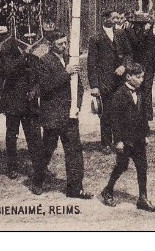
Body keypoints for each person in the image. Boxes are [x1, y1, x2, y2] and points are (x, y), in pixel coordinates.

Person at [31, 33, 91, 199]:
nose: (64, 46)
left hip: (70, 114)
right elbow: (45, 86)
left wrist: (77, 105)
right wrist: (66, 73)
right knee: (47, 150)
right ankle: (37, 180)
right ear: (51, 45)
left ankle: (75, 188)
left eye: (65, 43)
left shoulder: (70, 60)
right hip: (53, 114)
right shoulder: (44, 61)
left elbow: (79, 87)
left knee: (74, 152)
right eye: (60, 44)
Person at [100, 63, 155, 211]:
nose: (141, 80)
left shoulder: (140, 93)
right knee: (121, 166)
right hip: (125, 140)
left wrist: (145, 134)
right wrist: (118, 140)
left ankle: (143, 198)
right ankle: (108, 190)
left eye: (143, 77)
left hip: (138, 138)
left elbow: (143, 117)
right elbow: (114, 120)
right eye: (138, 77)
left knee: (142, 167)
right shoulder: (119, 95)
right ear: (128, 77)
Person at [0, 37, 42, 180]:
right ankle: (12, 166)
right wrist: (23, 56)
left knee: (34, 136)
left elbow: (40, 77)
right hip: (13, 103)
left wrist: (35, 90)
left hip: (30, 103)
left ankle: (38, 167)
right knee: (11, 136)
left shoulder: (34, 57)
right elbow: (7, 71)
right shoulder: (7, 54)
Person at [88, 10, 131, 153]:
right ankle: (106, 143)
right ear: (105, 19)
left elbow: (128, 53)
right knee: (106, 113)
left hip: (120, 81)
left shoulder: (120, 34)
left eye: (118, 18)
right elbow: (91, 63)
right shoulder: (96, 38)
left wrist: (124, 66)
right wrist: (94, 85)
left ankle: (119, 140)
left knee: (121, 111)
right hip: (105, 81)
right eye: (113, 18)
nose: (116, 20)